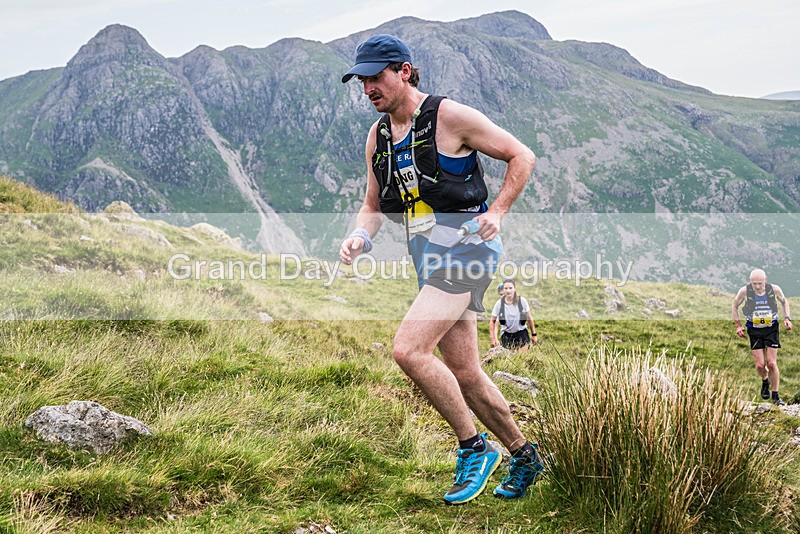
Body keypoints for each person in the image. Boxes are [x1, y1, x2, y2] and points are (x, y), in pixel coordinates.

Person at [339, 34, 543, 504]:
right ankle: (525, 454)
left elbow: (522, 156)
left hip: (468, 253)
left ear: (404, 71)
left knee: (409, 350)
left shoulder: (449, 116)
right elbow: (372, 204)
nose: (368, 87)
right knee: (466, 371)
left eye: (375, 77)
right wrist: (361, 236)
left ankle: (475, 448)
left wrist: (497, 213)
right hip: (428, 260)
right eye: (361, 80)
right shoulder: (379, 137)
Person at [732, 268, 793, 405]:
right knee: (760, 365)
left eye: (760, 283)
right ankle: (765, 380)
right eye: (754, 284)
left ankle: (776, 396)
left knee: (771, 363)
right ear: (750, 281)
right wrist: (738, 325)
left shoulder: (774, 289)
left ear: (765, 280)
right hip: (754, 330)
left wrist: (787, 318)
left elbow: (784, 302)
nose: (758, 286)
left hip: (771, 329)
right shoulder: (745, 291)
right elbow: (735, 305)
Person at [490, 279, 537, 351]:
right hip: (506, 336)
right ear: (503, 290)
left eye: (510, 288)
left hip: (522, 334)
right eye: (506, 288)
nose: (508, 291)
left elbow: (529, 318)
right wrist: (493, 338)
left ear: (514, 289)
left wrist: (534, 334)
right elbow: (493, 321)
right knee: (510, 359)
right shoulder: (499, 304)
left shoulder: (522, 301)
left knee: (522, 358)